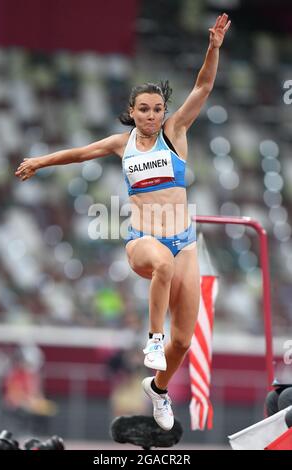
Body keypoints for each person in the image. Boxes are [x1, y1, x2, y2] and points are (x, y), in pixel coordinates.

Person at [15, 13, 231, 431]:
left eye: (157, 110)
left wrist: (214, 48)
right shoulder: (122, 144)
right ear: (131, 113)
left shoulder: (176, 133)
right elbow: (79, 153)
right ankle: (152, 341)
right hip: (143, 240)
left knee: (184, 340)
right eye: (144, 110)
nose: (151, 116)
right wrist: (40, 161)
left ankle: (159, 389)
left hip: (185, 239)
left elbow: (203, 86)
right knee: (162, 268)